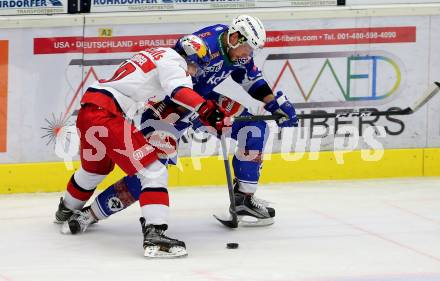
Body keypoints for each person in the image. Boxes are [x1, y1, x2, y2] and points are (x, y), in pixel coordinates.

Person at [58, 15, 298, 233]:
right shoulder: (205, 44)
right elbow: (182, 56)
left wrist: (274, 104)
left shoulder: (239, 50)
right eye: (246, 47)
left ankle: (243, 199)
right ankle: (91, 214)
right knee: (152, 168)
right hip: (167, 108)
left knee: (253, 129)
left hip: (204, 103)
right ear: (234, 37)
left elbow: (251, 79)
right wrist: (198, 91)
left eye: (251, 49)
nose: (247, 54)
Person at [54, 34, 230, 258]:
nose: (195, 73)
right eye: (197, 66)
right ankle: (155, 235)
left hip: (90, 110)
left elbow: (151, 93)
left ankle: (66, 210)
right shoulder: (175, 62)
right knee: (153, 171)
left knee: (95, 169)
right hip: (107, 116)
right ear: (191, 59)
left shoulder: (156, 53)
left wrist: (202, 113)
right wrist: (208, 110)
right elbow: (179, 92)